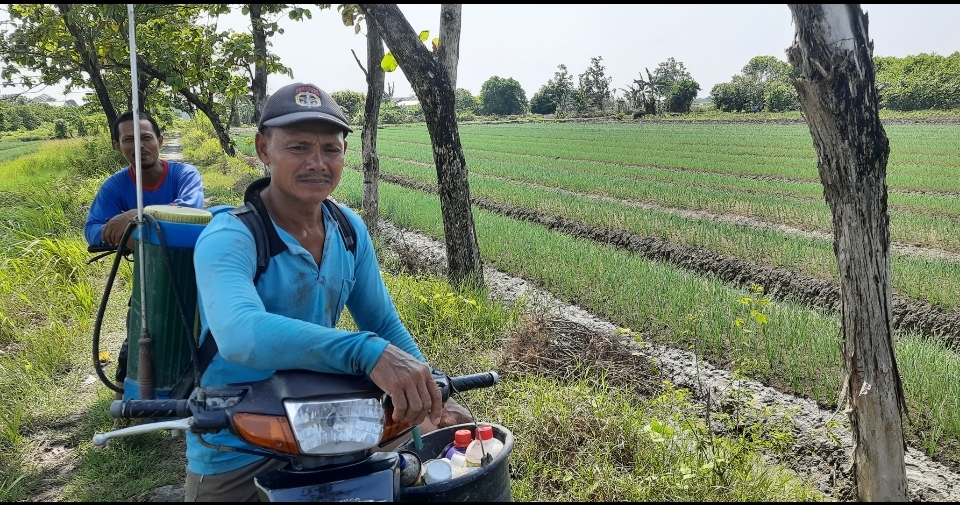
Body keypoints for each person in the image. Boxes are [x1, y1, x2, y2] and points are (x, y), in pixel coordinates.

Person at [186, 82, 472, 502]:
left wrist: (427, 389)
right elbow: (239, 334)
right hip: (240, 436)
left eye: (330, 149)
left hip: (329, 419)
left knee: (448, 465)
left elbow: (382, 322)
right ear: (263, 149)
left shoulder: (348, 230)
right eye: (299, 147)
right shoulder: (230, 236)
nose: (317, 163)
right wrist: (364, 351)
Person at [84, 111, 205, 396]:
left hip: (195, 269)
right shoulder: (114, 186)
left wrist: (134, 219)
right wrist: (118, 232)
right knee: (140, 327)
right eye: (129, 140)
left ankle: (203, 393)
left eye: (146, 138)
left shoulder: (185, 175)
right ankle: (127, 397)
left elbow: (191, 208)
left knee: (204, 331)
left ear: (160, 141)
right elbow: (92, 229)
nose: (139, 146)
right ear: (117, 145)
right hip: (149, 276)